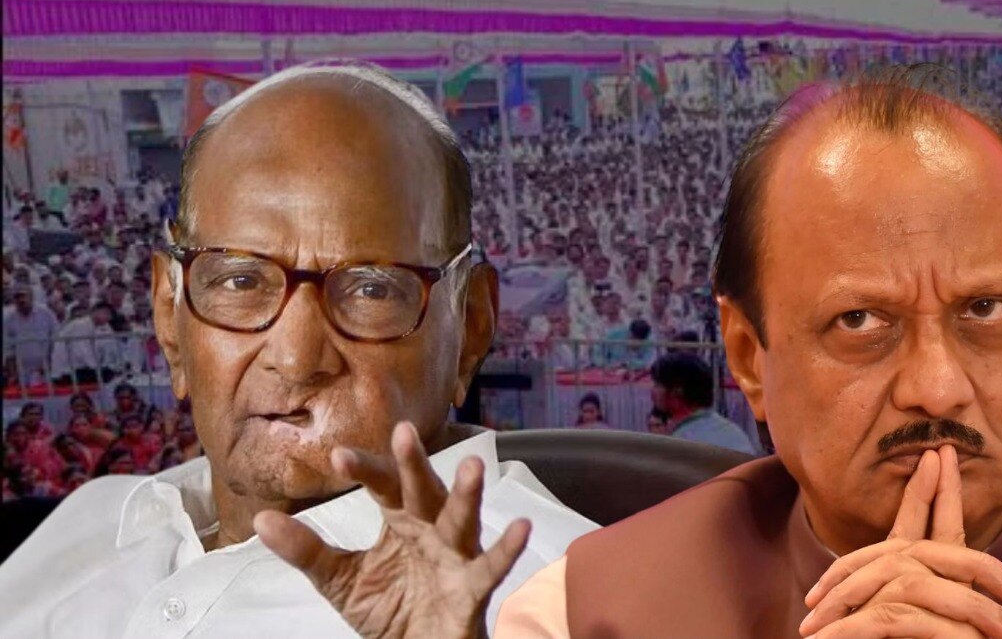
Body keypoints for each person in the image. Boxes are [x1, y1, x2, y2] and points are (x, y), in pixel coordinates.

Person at [496, 66, 1002, 637]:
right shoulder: (586, 613)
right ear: (747, 354)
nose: (937, 387)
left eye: (986, 310)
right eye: (860, 320)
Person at [0, 61, 596, 638]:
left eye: (371, 289)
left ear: (471, 328)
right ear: (169, 318)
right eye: (240, 281)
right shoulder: (93, 522)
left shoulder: (564, 596)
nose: (296, 358)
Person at [648, 352, 758, 455]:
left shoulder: (681, 443)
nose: (652, 391)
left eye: (657, 385)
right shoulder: (733, 432)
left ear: (677, 391)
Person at [3, 284, 59, 386]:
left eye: (23, 296)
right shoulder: (9, 319)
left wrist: (50, 363)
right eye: (17, 297)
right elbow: (9, 349)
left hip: (47, 368)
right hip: (22, 370)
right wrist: (13, 373)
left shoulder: (46, 313)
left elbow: (56, 340)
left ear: (31, 296)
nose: (21, 300)